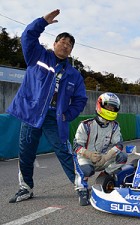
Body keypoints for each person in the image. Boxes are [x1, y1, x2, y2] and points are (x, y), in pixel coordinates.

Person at [7, 9, 88, 203]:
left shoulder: (74, 74)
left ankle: (81, 187)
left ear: (71, 50)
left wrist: (67, 115)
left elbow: (80, 99)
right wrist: (42, 22)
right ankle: (25, 188)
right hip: (32, 114)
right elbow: (28, 36)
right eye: (63, 41)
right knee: (26, 152)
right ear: (54, 43)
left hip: (55, 117)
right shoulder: (37, 56)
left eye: (70, 44)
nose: (66, 45)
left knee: (65, 152)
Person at [73, 92, 127, 206]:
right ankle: (82, 190)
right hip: (86, 158)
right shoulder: (86, 125)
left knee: (122, 157)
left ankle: (104, 176)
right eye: (108, 106)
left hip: (103, 158)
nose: (110, 109)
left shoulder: (115, 126)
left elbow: (119, 145)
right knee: (86, 170)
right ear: (100, 105)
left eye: (113, 107)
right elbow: (76, 146)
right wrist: (88, 154)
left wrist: (107, 156)